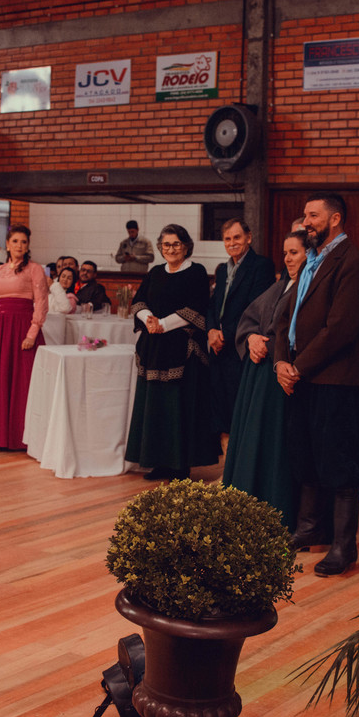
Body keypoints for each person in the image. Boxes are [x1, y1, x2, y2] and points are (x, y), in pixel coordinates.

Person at [274, 192, 359, 577]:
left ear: (335, 219)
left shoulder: (354, 263)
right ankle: (309, 528)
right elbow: (285, 318)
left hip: (333, 380)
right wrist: (281, 362)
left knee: (339, 461)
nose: (306, 222)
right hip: (300, 377)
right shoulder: (311, 261)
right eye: (305, 215)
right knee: (305, 454)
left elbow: (340, 330)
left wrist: (297, 367)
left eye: (313, 215)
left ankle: (344, 547)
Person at [222, 230, 308, 529]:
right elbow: (251, 317)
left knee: (273, 445)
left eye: (294, 253)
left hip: (280, 377)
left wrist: (267, 345)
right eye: (285, 253)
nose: (288, 259)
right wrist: (251, 338)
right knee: (252, 441)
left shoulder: (309, 288)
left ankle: (273, 510)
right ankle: (246, 508)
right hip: (258, 376)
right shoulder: (281, 285)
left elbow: (298, 333)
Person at [125, 224, 221, 480]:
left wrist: (163, 324)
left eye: (176, 244)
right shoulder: (155, 272)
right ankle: (159, 463)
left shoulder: (196, 272)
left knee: (178, 409)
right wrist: (149, 320)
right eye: (166, 245)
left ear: (186, 246)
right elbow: (139, 301)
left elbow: (198, 306)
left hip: (183, 351)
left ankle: (180, 465)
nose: (171, 249)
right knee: (155, 407)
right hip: (154, 349)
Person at [0, 225, 48, 450]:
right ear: (7, 245)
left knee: (23, 381)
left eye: (24, 242)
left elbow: (41, 303)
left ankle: (22, 437)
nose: (19, 245)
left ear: (28, 246)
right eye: (15, 241)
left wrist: (32, 333)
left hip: (23, 328)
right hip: (1, 329)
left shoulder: (35, 269)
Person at [206, 218, 275, 436]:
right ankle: (226, 456)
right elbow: (213, 305)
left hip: (240, 347)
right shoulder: (223, 270)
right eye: (227, 239)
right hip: (218, 348)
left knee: (239, 411)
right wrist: (211, 331)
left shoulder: (261, 266)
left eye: (237, 237)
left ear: (249, 238)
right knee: (219, 411)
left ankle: (237, 457)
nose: (232, 243)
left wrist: (224, 335)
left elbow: (255, 309)